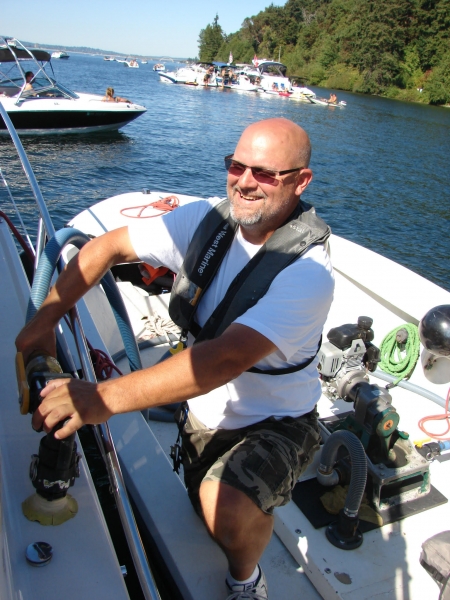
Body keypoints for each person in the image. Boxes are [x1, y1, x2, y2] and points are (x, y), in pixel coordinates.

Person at [16, 118, 334, 600]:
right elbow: (106, 247)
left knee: (223, 511)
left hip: (278, 419)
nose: (245, 182)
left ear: (301, 181)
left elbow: (222, 359)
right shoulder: (210, 221)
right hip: (203, 410)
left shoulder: (308, 274)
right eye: (236, 166)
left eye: (265, 174)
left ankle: (247, 579)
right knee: (195, 504)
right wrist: (44, 319)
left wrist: (98, 397)